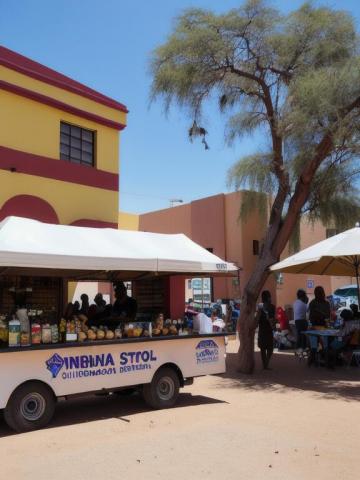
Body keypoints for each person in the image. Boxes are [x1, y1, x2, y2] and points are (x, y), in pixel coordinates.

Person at [257, 290, 276, 370]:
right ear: (268, 298)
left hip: (261, 329)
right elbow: (272, 319)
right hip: (268, 330)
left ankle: (265, 364)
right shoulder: (272, 307)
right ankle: (266, 364)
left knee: (263, 348)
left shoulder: (260, 307)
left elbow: (257, 318)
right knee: (270, 348)